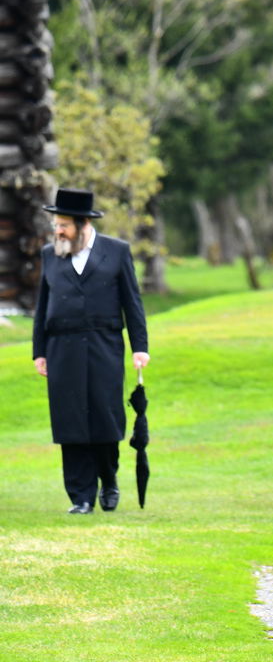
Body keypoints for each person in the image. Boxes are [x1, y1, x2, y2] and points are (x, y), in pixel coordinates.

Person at [31, 188, 149, 514]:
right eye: (56, 225)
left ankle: (108, 480)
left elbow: (133, 303)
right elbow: (43, 306)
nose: (58, 231)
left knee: (105, 417)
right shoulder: (49, 254)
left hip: (104, 346)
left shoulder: (117, 252)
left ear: (83, 225)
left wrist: (140, 347)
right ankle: (81, 496)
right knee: (70, 422)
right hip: (61, 349)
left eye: (64, 225)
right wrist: (39, 351)